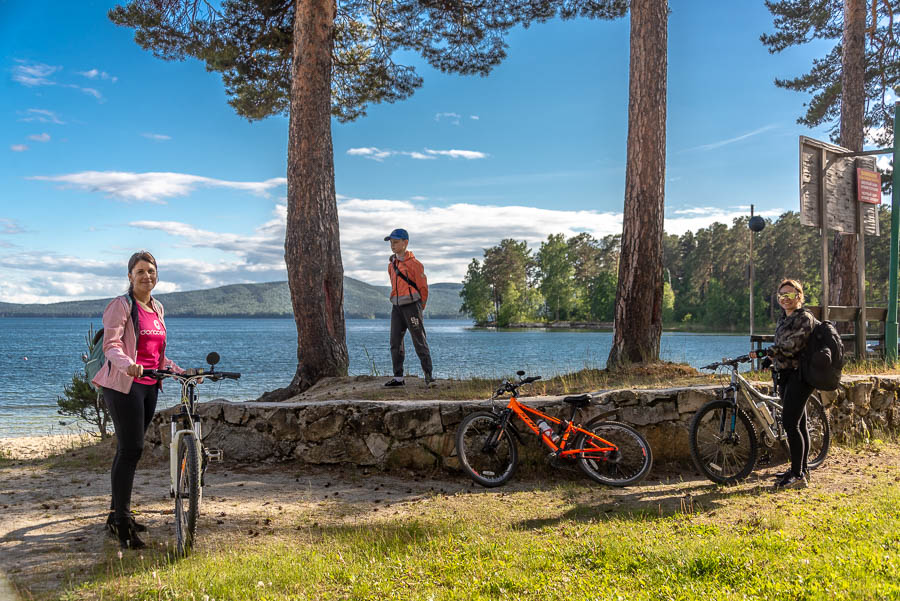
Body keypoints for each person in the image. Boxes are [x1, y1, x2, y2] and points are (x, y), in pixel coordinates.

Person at [92, 250, 182, 549]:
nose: (147, 276)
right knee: (132, 449)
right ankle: (121, 524)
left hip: (150, 385)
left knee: (128, 450)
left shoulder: (157, 307)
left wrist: (178, 370)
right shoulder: (120, 306)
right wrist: (126, 362)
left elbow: (157, 354)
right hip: (123, 385)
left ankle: (116, 514)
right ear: (130, 276)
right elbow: (111, 344)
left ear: (157, 276)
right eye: (140, 271)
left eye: (151, 271)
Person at [750, 278, 816, 491]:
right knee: (800, 423)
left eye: (789, 295)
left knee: (790, 424)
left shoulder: (804, 318)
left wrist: (771, 351)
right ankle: (801, 469)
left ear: (799, 296)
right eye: (781, 296)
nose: (785, 299)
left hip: (801, 375)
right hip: (785, 374)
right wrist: (770, 359)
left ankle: (797, 476)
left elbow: (794, 345)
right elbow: (781, 347)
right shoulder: (783, 319)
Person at [383, 228, 434, 387]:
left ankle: (428, 376)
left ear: (405, 243)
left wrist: (420, 307)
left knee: (419, 340)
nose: (392, 245)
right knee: (395, 342)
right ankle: (398, 378)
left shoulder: (415, 265)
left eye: (396, 242)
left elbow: (423, 288)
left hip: (412, 307)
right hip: (396, 307)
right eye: (391, 242)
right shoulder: (391, 265)